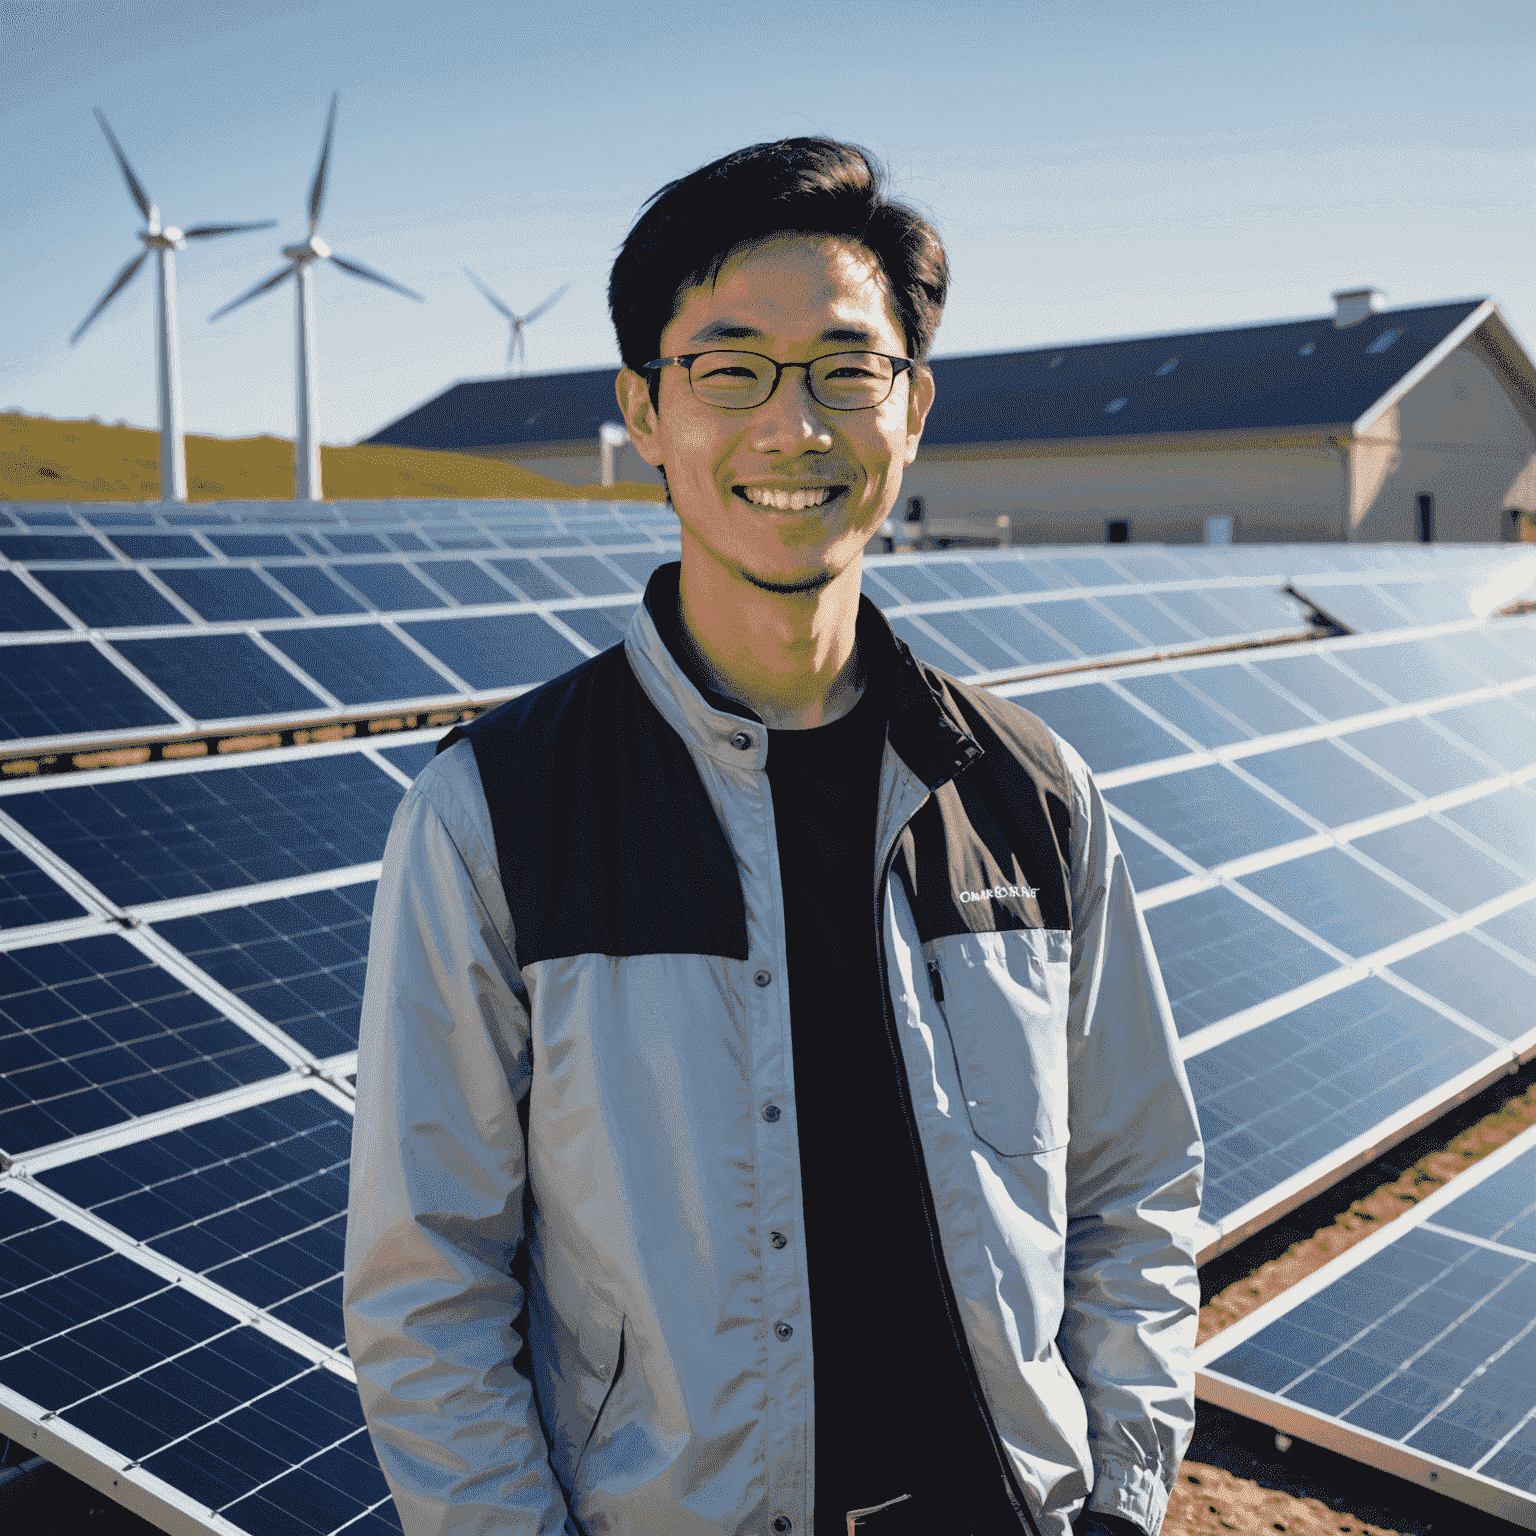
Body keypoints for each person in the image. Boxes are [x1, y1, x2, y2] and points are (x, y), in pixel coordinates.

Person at [344, 137, 1203, 1536]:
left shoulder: (1032, 796)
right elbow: (425, 1289)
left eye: (846, 370)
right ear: (646, 411)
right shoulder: (495, 816)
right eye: (730, 368)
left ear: (912, 409)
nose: (793, 427)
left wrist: (1117, 1498)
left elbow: (1134, 1188)